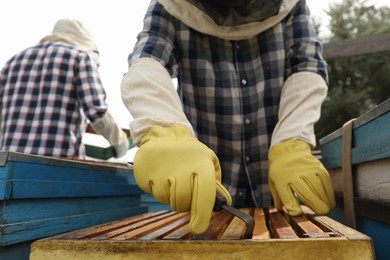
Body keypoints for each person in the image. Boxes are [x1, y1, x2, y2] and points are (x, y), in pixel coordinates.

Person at [121, 0, 336, 234]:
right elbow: (147, 63)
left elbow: (307, 68)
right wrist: (165, 131)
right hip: (208, 190)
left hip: (272, 189)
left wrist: (291, 143)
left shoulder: (291, 5)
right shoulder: (170, 5)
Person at [0, 19, 128, 159]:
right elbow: (96, 111)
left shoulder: (13, 62)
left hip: (11, 163)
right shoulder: (79, 58)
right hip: (59, 164)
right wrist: (120, 143)